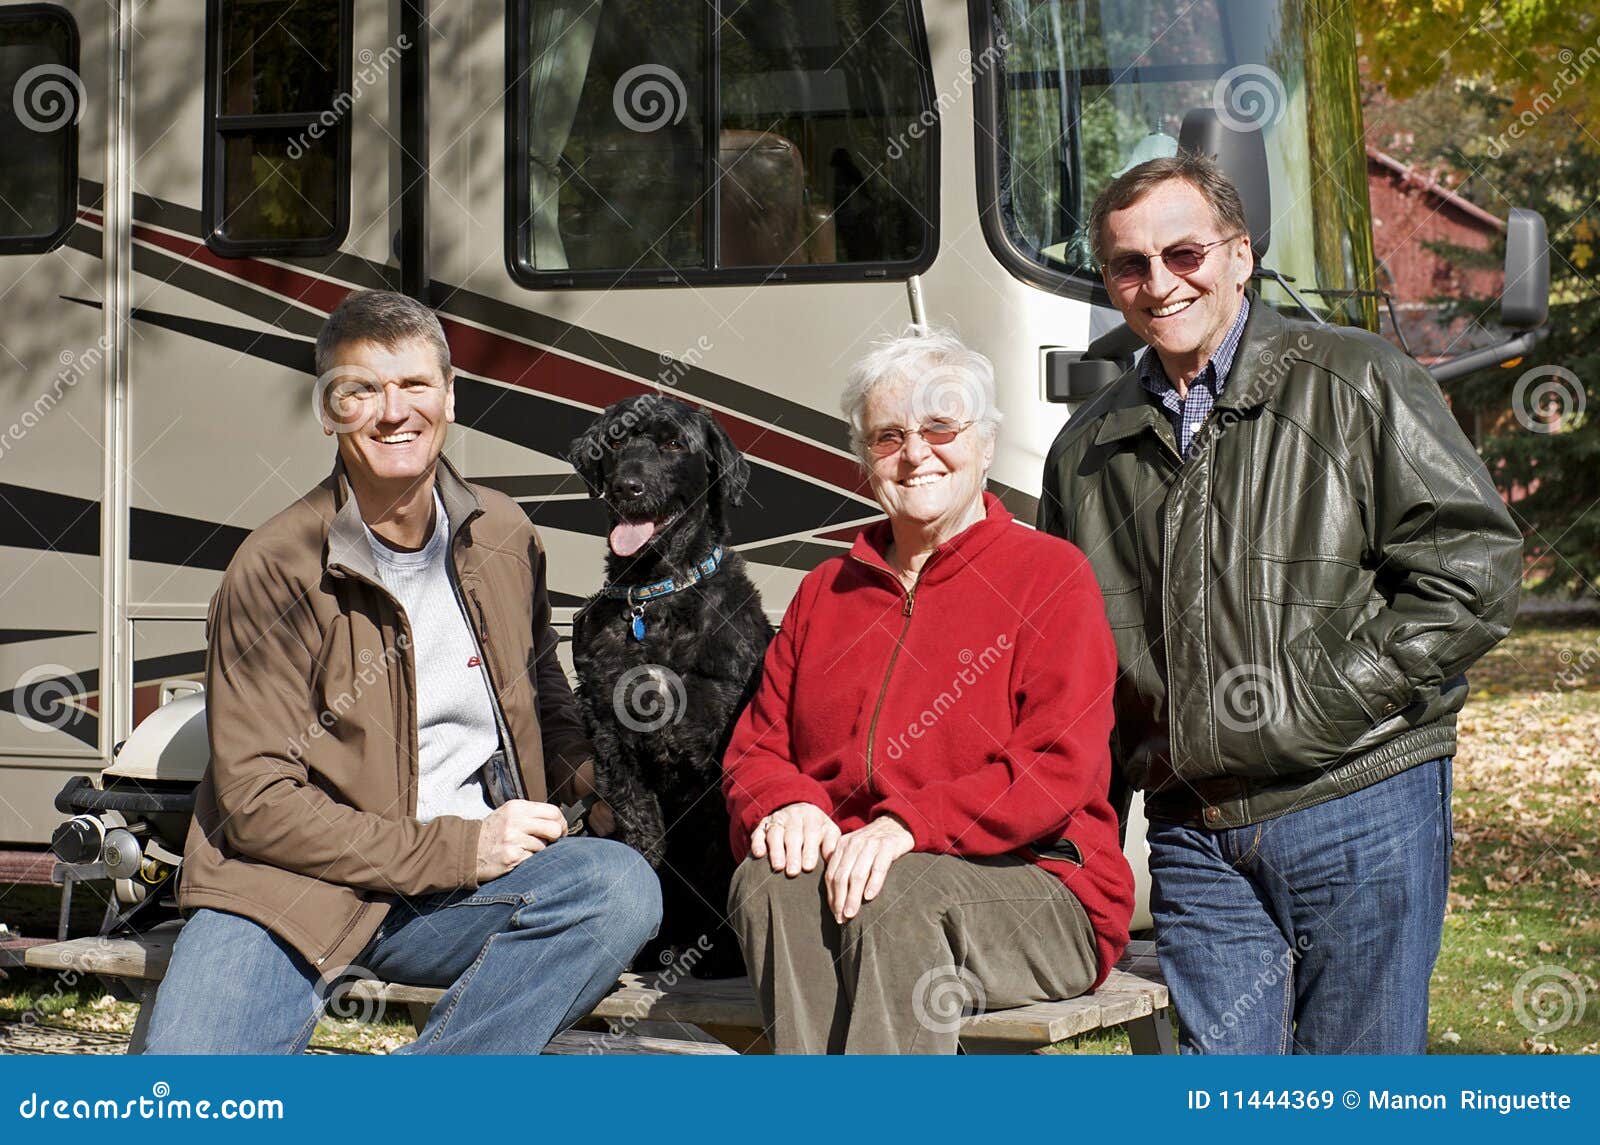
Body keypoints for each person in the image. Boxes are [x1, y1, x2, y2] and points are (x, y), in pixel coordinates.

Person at [1038, 152, 1522, 1053]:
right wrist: (1082, 835)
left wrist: (1318, 700)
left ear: (1239, 255)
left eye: (1183, 254)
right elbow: (1072, 665)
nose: (1159, 283)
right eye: (1129, 265)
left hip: (1362, 798)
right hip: (1195, 834)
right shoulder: (1086, 448)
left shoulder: (1356, 378)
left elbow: (1474, 564)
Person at [143, 290, 660, 1054]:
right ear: (328, 411)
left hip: (454, 899)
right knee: (184, 1099)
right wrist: (461, 848)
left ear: (450, 397)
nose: (393, 412)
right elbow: (254, 803)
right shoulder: (276, 566)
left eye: (415, 385)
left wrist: (587, 776)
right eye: (361, 390)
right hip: (287, 894)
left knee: (616, 888)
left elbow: (540, 689)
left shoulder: (505, 534)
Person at [722, 329, 1134, 1054]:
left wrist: (907, 824)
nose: (916, 453)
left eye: (941, 427)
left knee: (899, 893)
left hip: (1039, 884)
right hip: (862, 876)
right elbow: (756, 746)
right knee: (767, 880)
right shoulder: (826, 591)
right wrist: (788, 804)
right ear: (864, 459)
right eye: (888, 436)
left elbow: (1055, 767)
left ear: (985, 445)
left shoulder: (1050, 575)